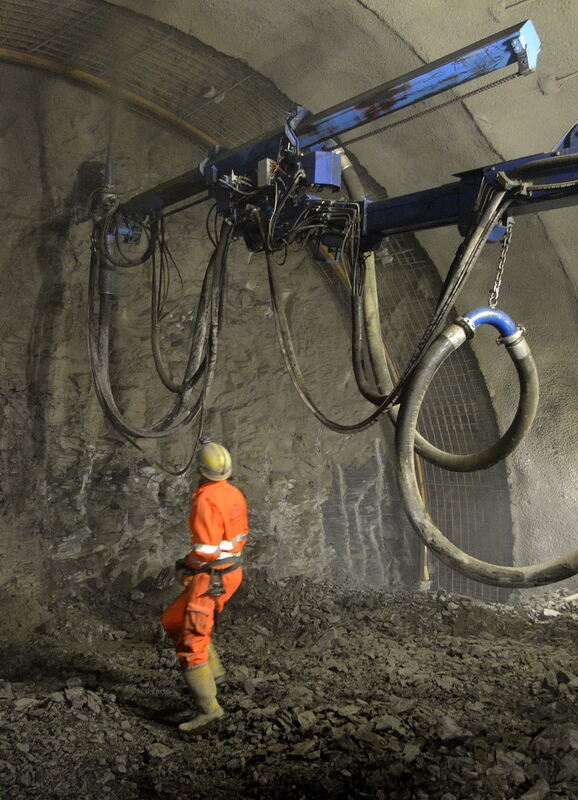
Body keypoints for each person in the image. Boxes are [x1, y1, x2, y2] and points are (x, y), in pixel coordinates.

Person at [161, 440, 249, 732]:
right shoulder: (233, 492)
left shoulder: (205, 499)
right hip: (229, 572)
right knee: (174, 618)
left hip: (212, 577)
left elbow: (205, 550)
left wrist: (187, 564)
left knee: (191, 644)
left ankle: (210, 710)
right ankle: (215, 672)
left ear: (200, 470)